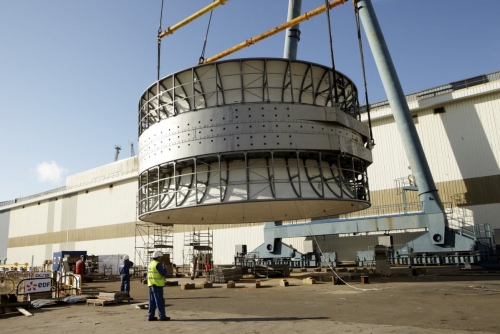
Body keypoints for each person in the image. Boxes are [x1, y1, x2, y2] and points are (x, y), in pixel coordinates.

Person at [147, 251, 169, 321]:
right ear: (158, 257)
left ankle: (150, 316)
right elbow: (163, 273)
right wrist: (165, 269)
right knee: (159, 301)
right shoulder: (157, 264)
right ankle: (162, 316)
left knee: (151, 301)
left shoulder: (150, 264)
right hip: (157, 285)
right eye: (161, 257)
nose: (161, 259)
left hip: (151, 284)